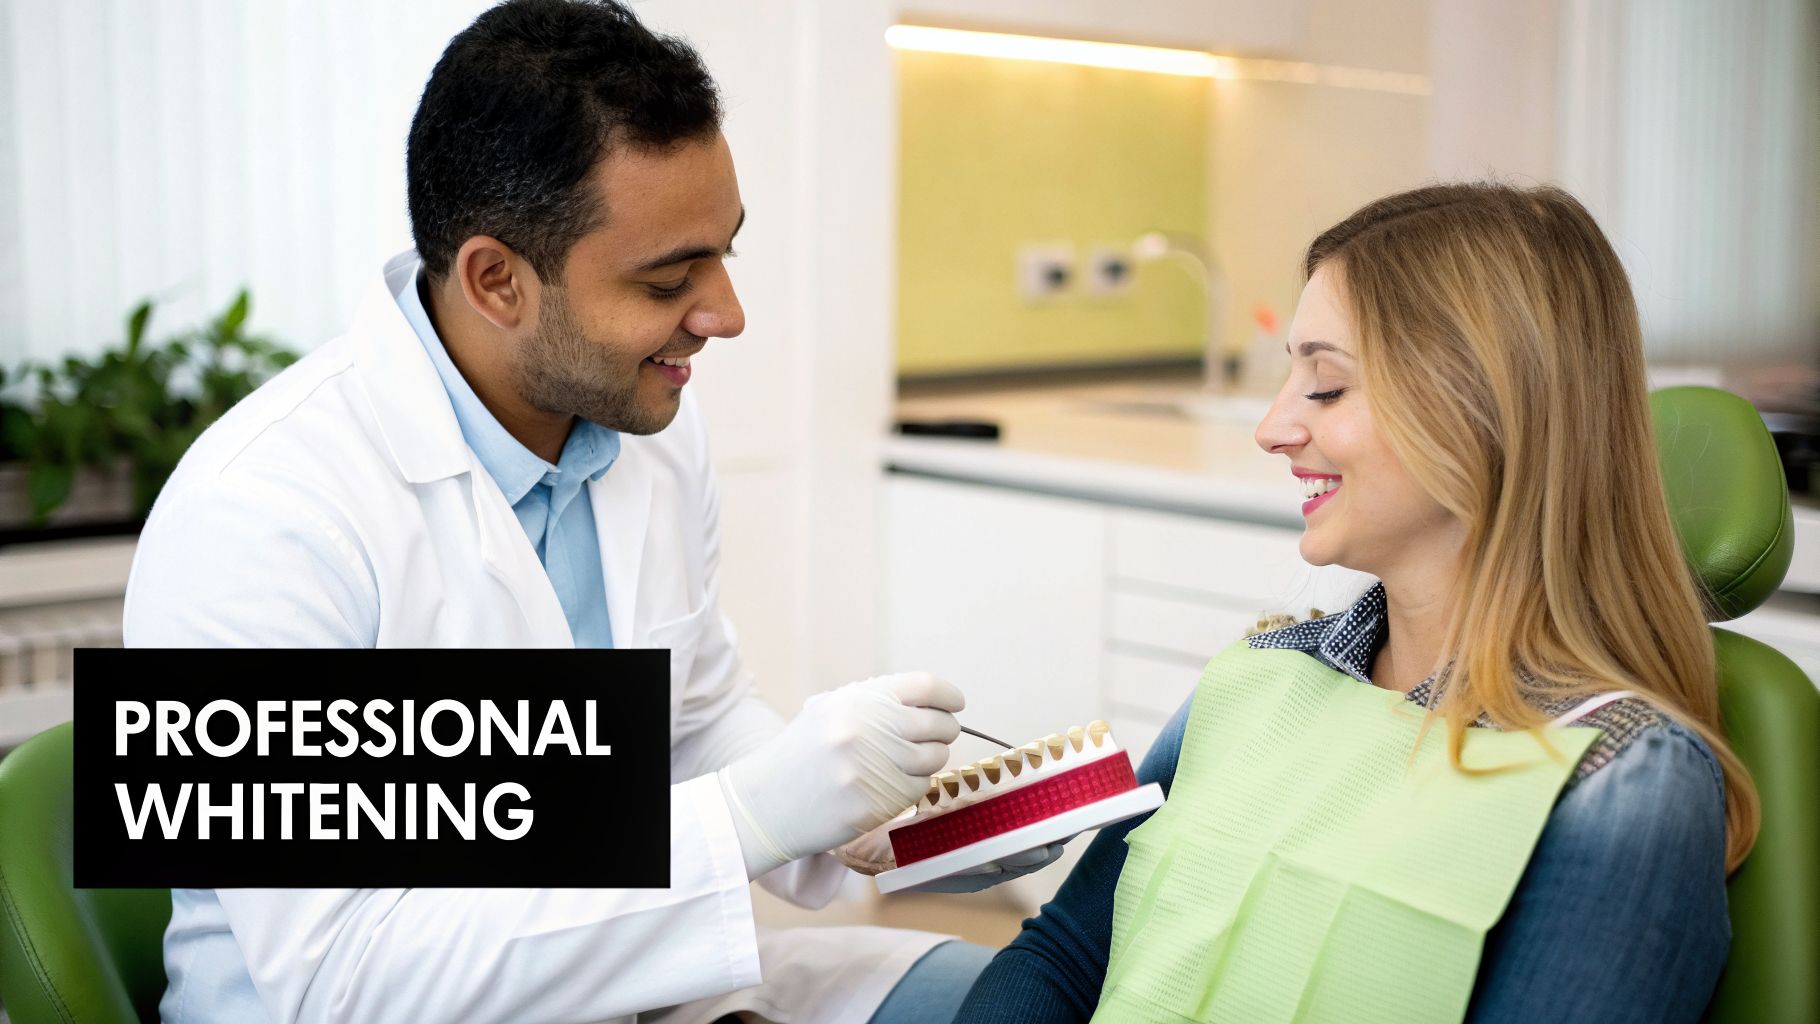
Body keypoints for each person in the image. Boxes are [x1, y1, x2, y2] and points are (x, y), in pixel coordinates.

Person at [123, 1, 1043, 1021]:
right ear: (496, 281)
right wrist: (746, 816)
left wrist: (865, 819)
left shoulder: (647, 432)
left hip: (617, 993)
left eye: (723, 252)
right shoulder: (258, 516)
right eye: (666, 279)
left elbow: (689, 716)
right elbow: (345, 976)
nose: (725, 315)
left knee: (1013, 994)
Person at [954, 183, 1760, 1023]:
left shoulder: (1617, 780)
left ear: (1484, 409)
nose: (1272, 428)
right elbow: (1067, 954)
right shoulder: (1262, 675)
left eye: (1327, 386)